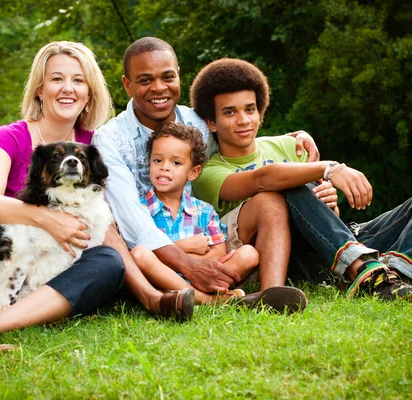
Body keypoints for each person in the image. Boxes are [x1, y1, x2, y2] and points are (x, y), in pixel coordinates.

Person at [0, 41, 193, 367]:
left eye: (78, 80)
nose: (68, 89)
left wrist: (149, 289)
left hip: (51, 274)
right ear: (39, 89)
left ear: (89, 92)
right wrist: (48, 219)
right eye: (57, 79)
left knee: (108, 262)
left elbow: (106, 222)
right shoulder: (8, 137)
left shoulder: (95, 145)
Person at [190, 58, 412, 300]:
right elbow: (265, 178)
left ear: (260, 112)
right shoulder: (209, 172)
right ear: (211, 122)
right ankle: (364, 268)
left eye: (249, 109)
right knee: (284, 184)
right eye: (230, 112)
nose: (243, 120)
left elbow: (323, 214)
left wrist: (329, 200)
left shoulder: (288, 147)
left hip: (342, 238)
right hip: (301, 256)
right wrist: (330, 168)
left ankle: (387, 274)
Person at [93, 37, 319, 306]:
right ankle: (212, 300)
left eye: (167, 77)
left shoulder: (199, 123)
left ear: (178, 76)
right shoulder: (109, 139)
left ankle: (271, 296)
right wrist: (186, 262)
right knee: (138, 252)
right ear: (127, 85)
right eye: (145, 80)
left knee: (267, 204)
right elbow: (129, 216)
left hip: (209, 240)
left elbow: (240, 139)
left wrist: (293, 139)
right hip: (156, 255)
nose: (159, 88)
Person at [131, 122, 264, 305]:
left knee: (249, 254)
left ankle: (192, 293)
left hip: (204, 277)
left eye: (176, 162)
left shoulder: (204, 211)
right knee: (140, 254)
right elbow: (145, 255)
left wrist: (188, 262)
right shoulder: (140, 209)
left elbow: (219, 253)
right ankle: (209, 300)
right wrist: (184, 246)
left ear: (193, 172)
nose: (164, 167)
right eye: (158, 160)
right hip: (160, 277)